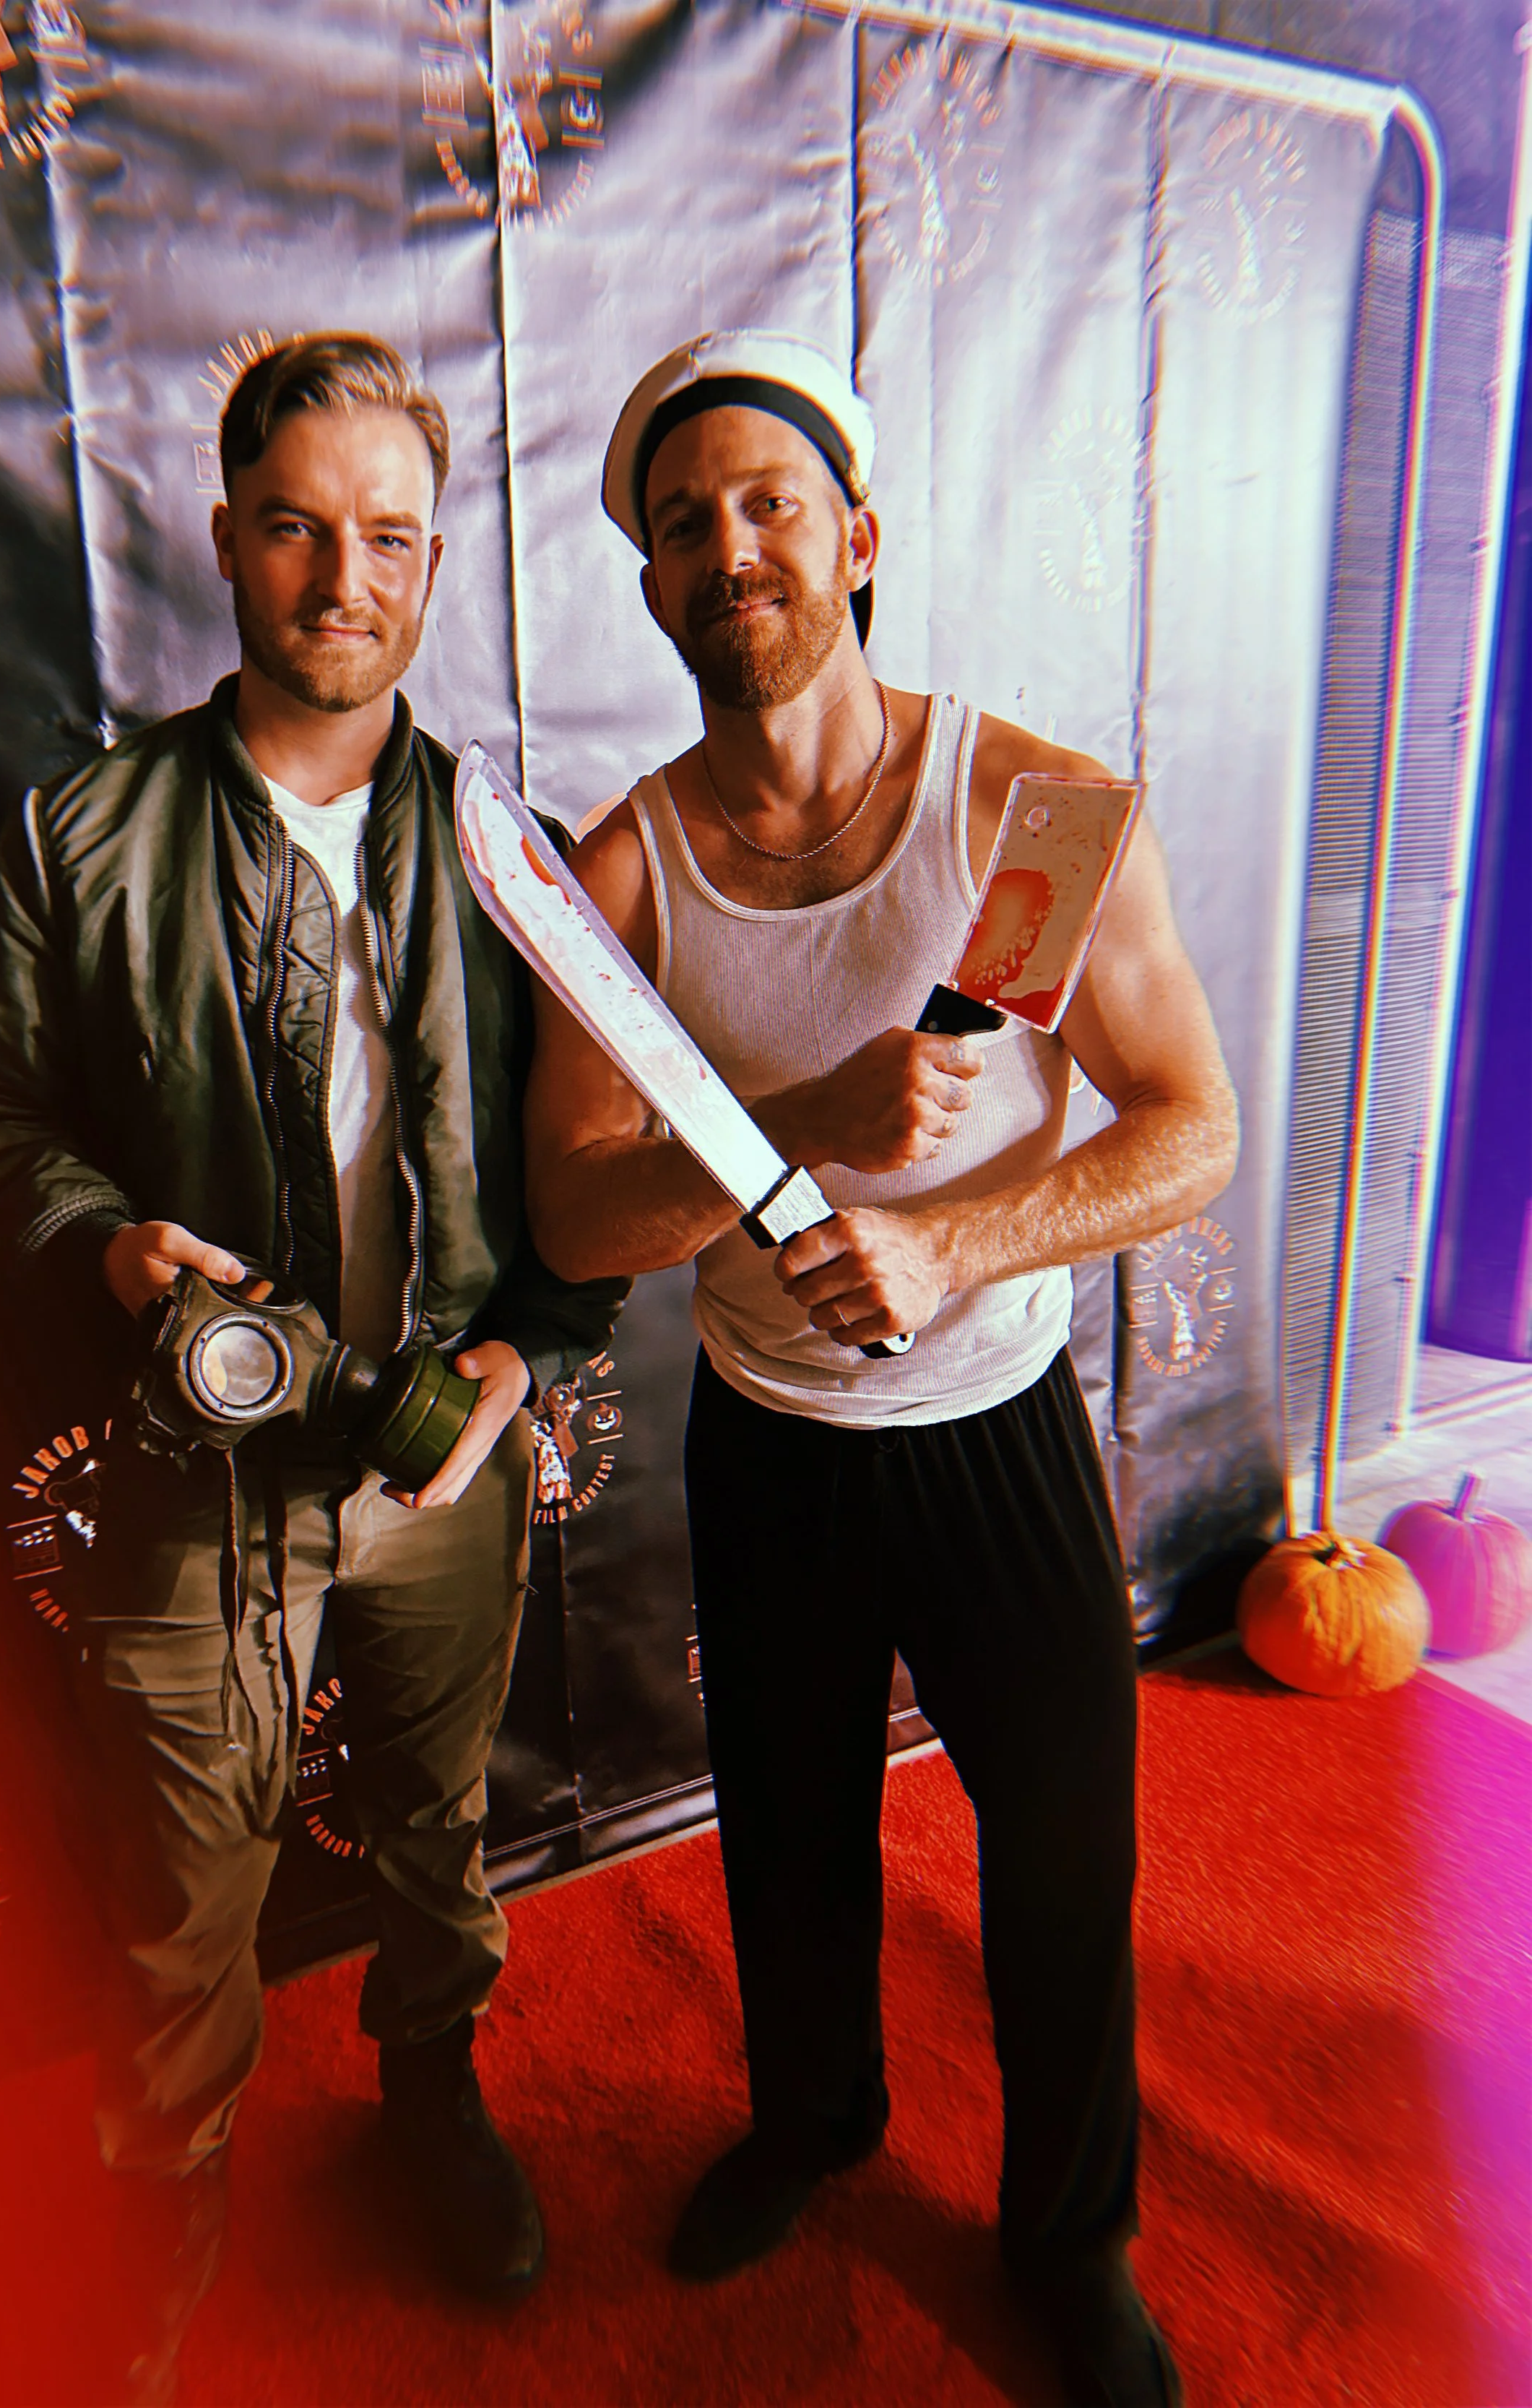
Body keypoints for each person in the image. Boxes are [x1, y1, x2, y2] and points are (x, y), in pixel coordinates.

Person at [523, 330, 1239, 2408]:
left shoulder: (1025, 809)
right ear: (652, 587)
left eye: (767, 504)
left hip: (994, 1423)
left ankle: (1067, 2234)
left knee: (1061, 1857)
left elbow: (1180, 1124)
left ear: (855, 538)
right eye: (683, 523)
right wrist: (803, 1128)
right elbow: (574, 1216)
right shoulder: (621, 876)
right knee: (789, 1831)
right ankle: (818, 2115)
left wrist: (947, 1236)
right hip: (768, 1445)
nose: (729, 546)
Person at [0, 332, 623, 2403]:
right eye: (298, 529)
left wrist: (523, 1351)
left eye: (388, 536)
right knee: (170, 1884)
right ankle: (169, 2180)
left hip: (442, 1453)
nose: (343, 579)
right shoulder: (76, 831)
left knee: (431, 1817)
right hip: (186, 1448)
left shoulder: (515, 849)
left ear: (432, 556)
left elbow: (593, 1164)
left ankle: (431, 2095)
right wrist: (104, 1240)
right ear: (225, 536)